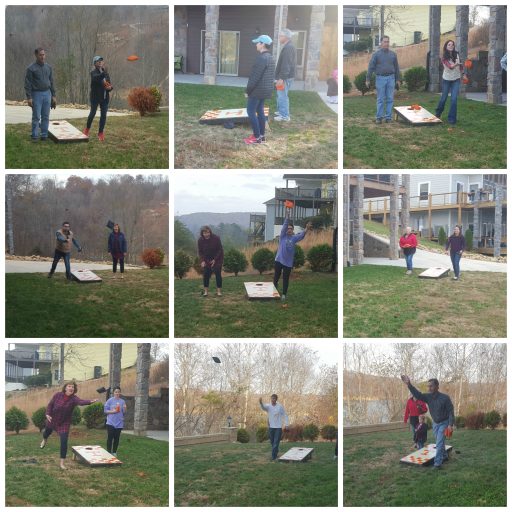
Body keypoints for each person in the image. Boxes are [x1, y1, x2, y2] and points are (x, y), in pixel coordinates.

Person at [40, 382, 98, 469]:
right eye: (69, 386)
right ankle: (44, 440)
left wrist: (89, 401)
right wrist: (47, 413)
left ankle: (62, 463)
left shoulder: (74, 399)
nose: (71, 388)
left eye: (73, 387)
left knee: (64, 441)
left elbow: (81, 402)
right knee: (47, 433)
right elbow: (50, 405)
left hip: (64, 423)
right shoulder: (58, 395)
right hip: (53, 419)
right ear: (65, 388)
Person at [400, 375, 454, 469]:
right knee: (439, 442)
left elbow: (450, 411)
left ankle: (437, 464)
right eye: (428, 386)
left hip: (444, 423)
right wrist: (409, 384)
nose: (429, 388)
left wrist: (450, 424)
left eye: (431, 386)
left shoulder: (445, 398)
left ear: (437, 386)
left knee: (439, 442)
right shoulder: (428, 397)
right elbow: (418, 395)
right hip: (435, 423)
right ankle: (444, 456)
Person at [273, 207, 312, 301]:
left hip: (287, 263)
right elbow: (285, 225)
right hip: (278, 260)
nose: (289, 230)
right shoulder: (282, 236)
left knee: (286, 279)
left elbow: (301, 235)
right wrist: (288, 215)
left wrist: (306, 228)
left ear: (293, 230)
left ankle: (284, 295)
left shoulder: (294, 238)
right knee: (276, 277)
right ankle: (274, 292)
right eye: (288, 228)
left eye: (291, 229)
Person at [244, 35, 275, 145]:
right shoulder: (270, 58)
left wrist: (248, 91)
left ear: (262, 44)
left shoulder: (261, 58)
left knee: (251, 111)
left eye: (257, 43)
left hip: (257, 90)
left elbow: (254, 77)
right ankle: (261, 136)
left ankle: (256, 137)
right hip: (265, 90)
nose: (256, 44)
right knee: (260, 111)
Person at [366, 35, 401, 124]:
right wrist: (368, 79)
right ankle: (379, 117)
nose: (386, 43)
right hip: (380, 78)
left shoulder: (393, 54)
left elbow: (396, 67)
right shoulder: (376, 55)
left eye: (388, 42)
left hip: (391, 78)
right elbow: (370, 67)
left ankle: (388, 117)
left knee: (390, 98)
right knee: (380, 99)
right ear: (381, 43)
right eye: (385, 42)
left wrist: (398, 79)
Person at [24, 47, 56, 142]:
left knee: (45, 116)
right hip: (36, 94)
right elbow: (27, 84)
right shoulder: (31, 69)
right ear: (36, 55)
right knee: (36, 116)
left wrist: (53, 95)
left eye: (43, 54)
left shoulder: (48, 67)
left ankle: (44, 135)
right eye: (40, 55)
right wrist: (29, 97)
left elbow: (52, 82)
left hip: (47, 93)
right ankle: (34, 135)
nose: (42, 56)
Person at [435, 40, 466, 125]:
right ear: (446, 46)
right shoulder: (444, 57)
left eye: (452, 45)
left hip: (456, 79)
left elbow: (460, 66)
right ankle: (438, 113)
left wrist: (463, 74)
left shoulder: (457, 54)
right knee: (443, 98)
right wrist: (456, 64)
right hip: (447, 79)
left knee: (454, 99)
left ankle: (452, 119)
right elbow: (450, 67)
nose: (451, 46)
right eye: (449, 45)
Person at [83, 56, 113, 141]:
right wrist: (104, 73)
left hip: (104, 98)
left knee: (103, 116)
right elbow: (97, 78)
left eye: (101, 61)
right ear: (95, 63)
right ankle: (87, 130)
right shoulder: (93, 73)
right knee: (92, 113)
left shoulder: (106, 73)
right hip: (95, 97)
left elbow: (109, 85)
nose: (100, 62)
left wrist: (110, 88)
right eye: (98, 61)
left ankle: (100, 133)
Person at [274, 28, 296, 122]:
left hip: (285, 77)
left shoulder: (289, 47)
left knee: (282, 95)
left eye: (280, 36)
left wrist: (281, 78)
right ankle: (281, 111)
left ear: (286, 37)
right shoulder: (287, 46)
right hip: (283, 76)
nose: (279, 37)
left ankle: (284, 116)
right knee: (280, 95)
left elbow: (286, 64)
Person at [259, 394, 289, 461]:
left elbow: (285, 415)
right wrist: (261, 403)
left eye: (274, 399)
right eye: (272, 398)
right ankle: (276, 451)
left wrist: (287, 424)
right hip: (271, 427)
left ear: (276, 399)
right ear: (271, 399)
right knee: (272, 442)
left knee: (276, 443)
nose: (273, 400)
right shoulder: (268, 406)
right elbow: (263, 407)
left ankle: (273, 457)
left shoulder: (280, 407)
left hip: (278, 428)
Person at [197, 226, 224, 297]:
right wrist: (202, 261)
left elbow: (220, 250)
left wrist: (215, 259)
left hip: (217, 258)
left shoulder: (216, 238)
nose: (207, 234)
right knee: (206, 275)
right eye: (205, 233)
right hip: (206, 259)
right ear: (202, 233)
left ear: (210, 232)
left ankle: (219, 292)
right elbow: (200, 252)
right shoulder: (200, 240)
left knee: (218, 274)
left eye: (208, 232)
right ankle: (206, 292)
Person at [104, 386, 127, 456]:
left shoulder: (122, 401)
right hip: (110, 422)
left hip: (119, 423)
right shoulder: (110, 400)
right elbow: (105, 411)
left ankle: (114, 452)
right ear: (113, 393)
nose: (117, 393)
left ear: (120, 393)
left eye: (118, 392)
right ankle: (108, 452)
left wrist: (125, 408)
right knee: (110, 438)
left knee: (116, 438)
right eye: (116, 392)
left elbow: (123, 412)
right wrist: (112, 411)